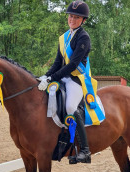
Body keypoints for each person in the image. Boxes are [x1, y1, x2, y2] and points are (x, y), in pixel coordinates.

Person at [38, 1, 99, 163]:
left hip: (77, 79)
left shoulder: (84, 37)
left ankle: (85, 150)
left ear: (83, 20)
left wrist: (52, 78)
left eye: (76, 17)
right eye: (71, 16)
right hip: (62, 76)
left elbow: (73, 64)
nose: (72, 19)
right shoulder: (64, 38)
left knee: (71, 106)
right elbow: (58, 63)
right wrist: (45, 76)